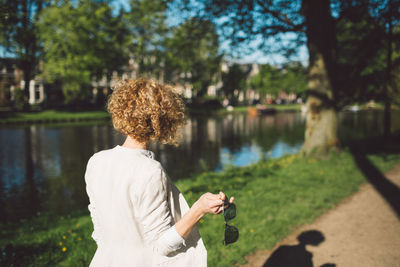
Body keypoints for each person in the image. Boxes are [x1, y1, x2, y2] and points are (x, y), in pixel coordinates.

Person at [85, 78, 234, 266]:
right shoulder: (149, 170)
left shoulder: (96, 162)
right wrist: (199, 209)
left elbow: (99, 232)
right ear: (164, 119)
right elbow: (162, 246)